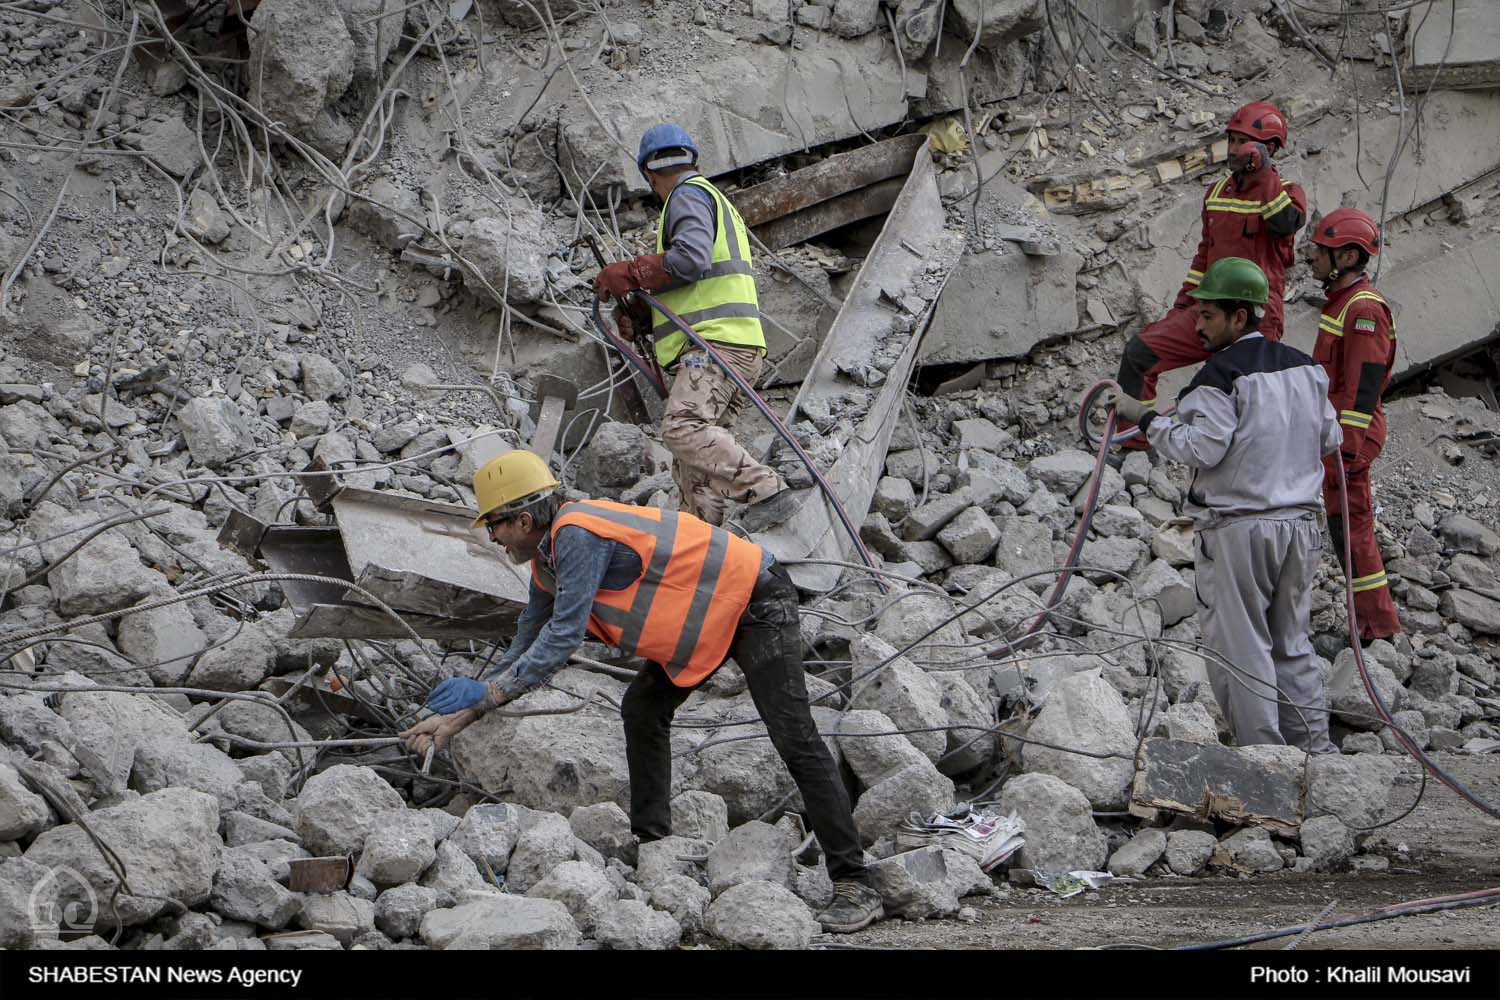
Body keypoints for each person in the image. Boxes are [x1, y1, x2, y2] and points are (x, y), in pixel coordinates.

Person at [400, 449, 883, 933]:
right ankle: (654, 844)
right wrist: (454, 722)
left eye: (495, 527)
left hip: (754, 599)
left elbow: (561, 639)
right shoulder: (546, 561)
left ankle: (855, 882)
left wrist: (484, 694)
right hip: (709, 622)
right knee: (643, 708)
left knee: (794, 736)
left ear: (523, 520)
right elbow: (525, 643)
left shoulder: (577, 536)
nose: (494, 538)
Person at [1108, 258, 1338, 752]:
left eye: (1208, 314)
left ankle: (1265, 762)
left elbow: (1200, 448)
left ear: (1240, 317)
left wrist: (1146, 419)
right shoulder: (1306, 368)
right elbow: (1329, 436)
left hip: (1241, 530)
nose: (1197, 324)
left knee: (1243, 649)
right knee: (1292, 645)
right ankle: (1315, 754)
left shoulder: (1221, 374)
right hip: (1299, 527)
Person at [593, 123, 798, 532]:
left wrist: (630, 272)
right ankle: (701, 543)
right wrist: (644, 315)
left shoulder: (687, 197)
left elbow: (689, 261)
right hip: (735, 345)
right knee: (696, 466)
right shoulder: (713, 202)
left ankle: (767, 489)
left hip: (714, 347)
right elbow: (699, 281)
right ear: (694, 159)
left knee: (683, 428)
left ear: (649, 175)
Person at [1114, 101, 1308, 450]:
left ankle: (1245, 467)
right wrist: (1184, 305)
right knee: (1139, 353)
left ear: (1271, 148)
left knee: (1249, 399)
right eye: (1231, 141)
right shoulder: (1216, 193)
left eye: (1243, 142)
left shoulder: (1286, 192)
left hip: (1254, 317)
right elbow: (1204, 255)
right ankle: (1135, 445)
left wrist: (1263, 173)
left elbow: (1285, 226)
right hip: (1209, 308)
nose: (1233, 150)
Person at [1306, 208, 1402, 643]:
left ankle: (1378, 629)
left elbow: (1361, 389)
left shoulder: (1363, 309)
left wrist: (1345, 450)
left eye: (1321, 251)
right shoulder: (1343, 303)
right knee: (1342, 526)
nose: (1312, 258)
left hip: (1350, 437)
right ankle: (1368, 621)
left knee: (1352, 526)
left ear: (1345, 256)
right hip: (1337, 434)